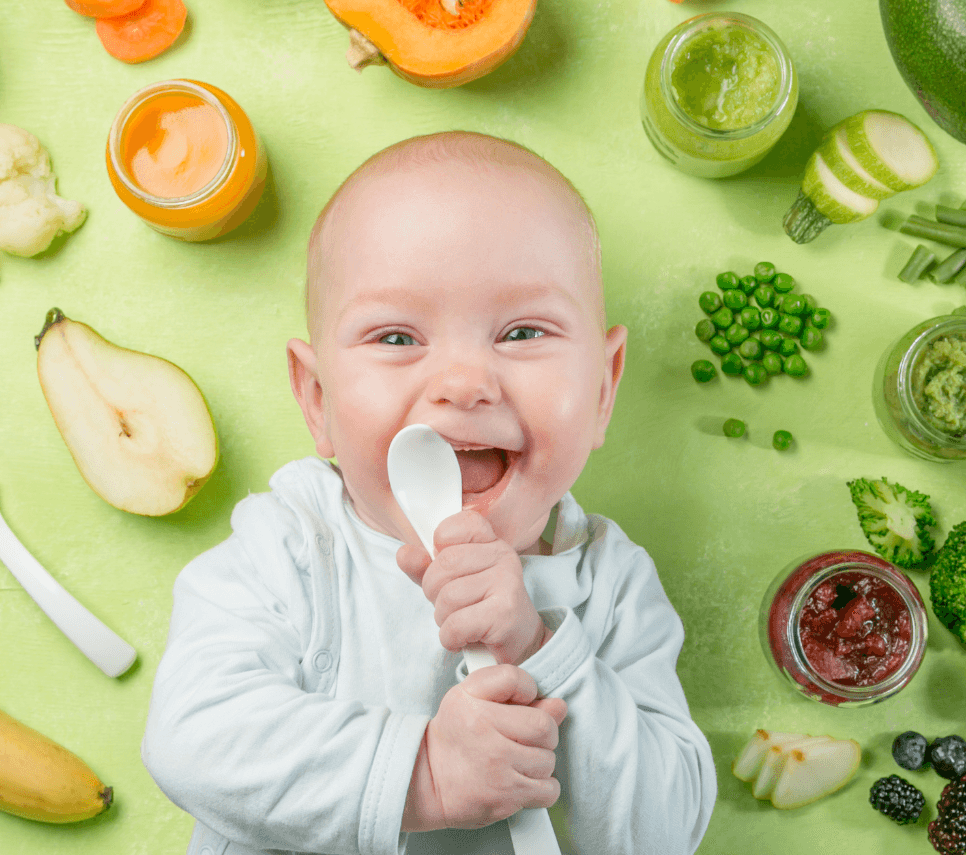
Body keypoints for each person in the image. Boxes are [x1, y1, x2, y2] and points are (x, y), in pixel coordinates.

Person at [142, 131, 716, 855]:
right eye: (395, 338)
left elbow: (669, 831)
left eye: (522, 330)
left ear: (603, 389)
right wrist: (424, 774)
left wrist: (540, 651)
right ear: (317, 399)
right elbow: (191, 739)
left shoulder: (611, 586)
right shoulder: (287, 546)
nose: (464, 382)